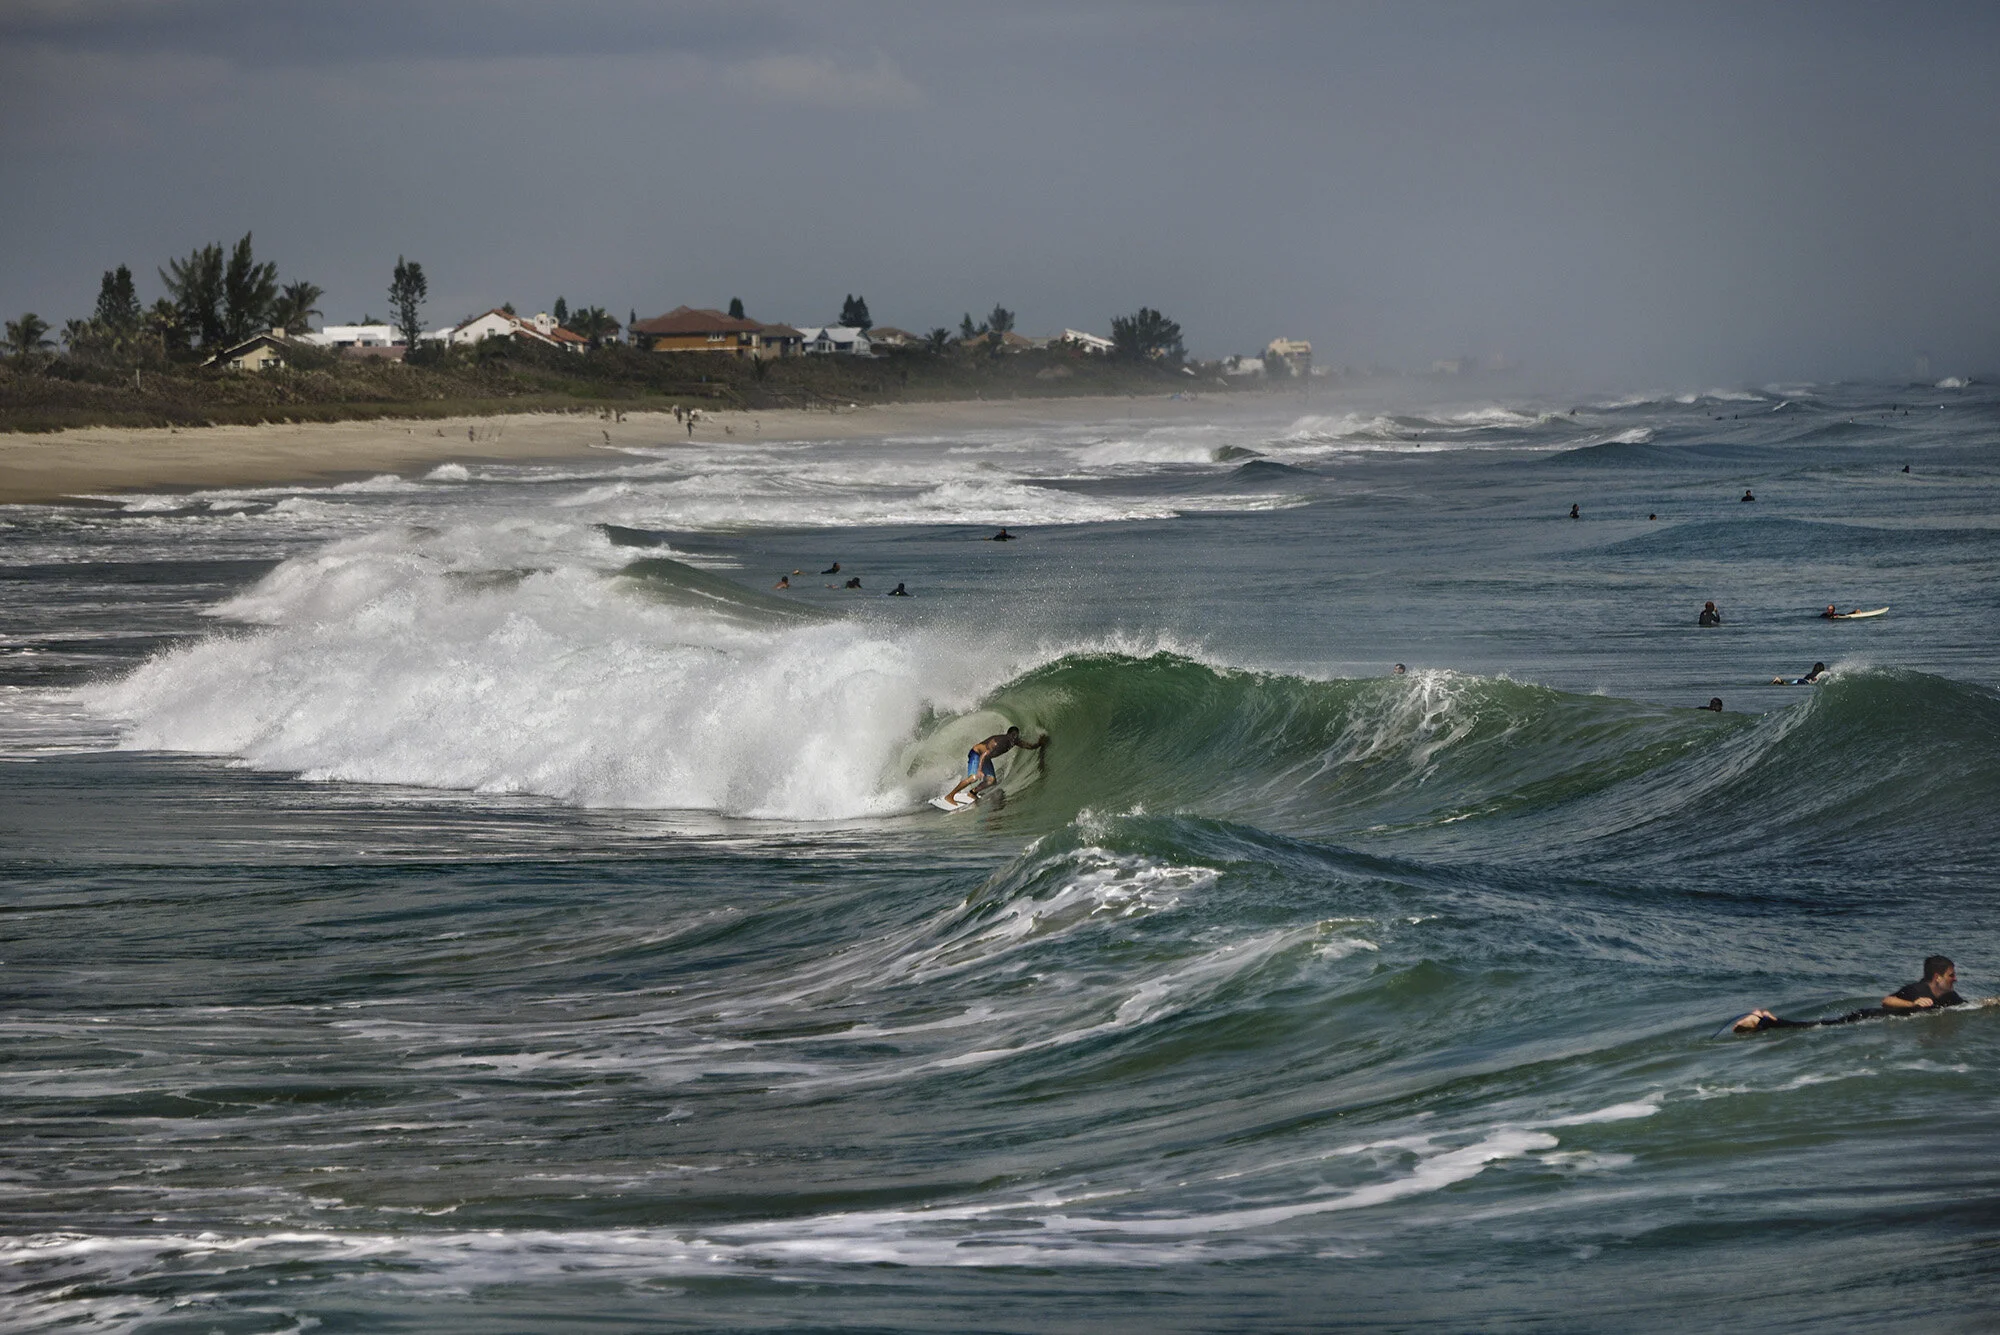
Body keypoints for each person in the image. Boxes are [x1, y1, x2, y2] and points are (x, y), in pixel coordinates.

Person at [1734, 957, 1964, 1032]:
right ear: (1937, 977)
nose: (1955, 979)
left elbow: (1968, 1007)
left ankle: (1767, 1020)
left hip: (1874, 1022)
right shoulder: (1918, 989)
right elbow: (1887, 1001)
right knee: (1818, 1026)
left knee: (1816, 1026)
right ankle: (1763, 1021)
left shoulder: (1950, 997)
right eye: (1951, 975)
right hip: (1867, 1017)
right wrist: (1912, 1003)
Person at [944, 726, 1048, 802]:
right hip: (977, 754)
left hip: (986, 758)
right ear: (1008, 734)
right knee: (973, 778)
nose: (1014, 737)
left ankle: (972, 793)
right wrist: (979, 770)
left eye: (1016, 735)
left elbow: (1029, 747)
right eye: (1012, 735)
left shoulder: (1014, 742)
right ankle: (950, 796)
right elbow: (984, 754)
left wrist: (1039, 744)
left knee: (991, 781)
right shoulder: (999, 742)